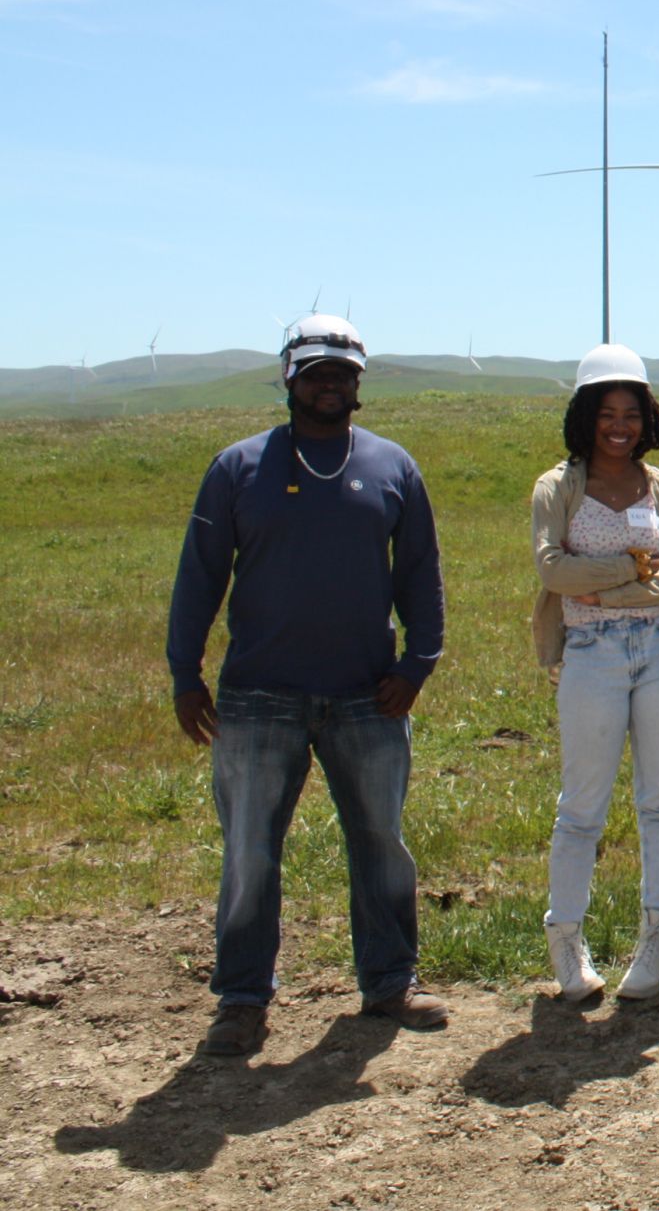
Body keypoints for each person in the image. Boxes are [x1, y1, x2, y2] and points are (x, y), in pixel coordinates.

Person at [166, 314, 447, 1058]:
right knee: (250, 850)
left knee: (382, 842)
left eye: (344, 372)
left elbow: (419, 571)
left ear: (360, 382)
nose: (331, 383)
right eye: (316, 370)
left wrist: (417, 664)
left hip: (368, 693)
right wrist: (185, 674)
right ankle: (241, 998)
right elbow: (201, 574)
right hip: (259, 694)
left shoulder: (393, 466)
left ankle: (390, 981)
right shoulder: (237, 468)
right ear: (288, 377)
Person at [529, 345, 659, 1002]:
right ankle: (566, 944)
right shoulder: (558, 487)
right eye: (607, 413)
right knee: (581, 807)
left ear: (647, 417)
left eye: (631, 413)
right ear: (585, 416)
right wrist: (636, 570)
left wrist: (611, 590)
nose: (620, 426)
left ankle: (654, 941)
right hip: (591, 654)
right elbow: (553, 570)